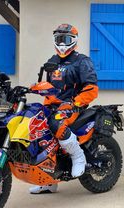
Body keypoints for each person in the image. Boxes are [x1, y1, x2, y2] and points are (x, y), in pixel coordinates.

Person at [29, 24, 99, 194]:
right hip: (52, 105)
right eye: (58, 39)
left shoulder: (82, 61)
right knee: (35, 128)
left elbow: (92, 88)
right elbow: (51, 87)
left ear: (74, 41)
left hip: (74, 106)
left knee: (57, 124)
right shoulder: (52, 61)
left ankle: (78, 156)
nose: (61, 43)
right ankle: (48, 180)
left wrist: (75, 103)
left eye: (65, 39)